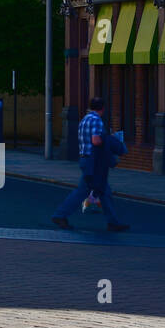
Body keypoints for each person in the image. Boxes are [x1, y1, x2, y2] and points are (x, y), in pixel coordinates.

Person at [52, 97, 129, 232]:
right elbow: (96, 141)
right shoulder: (96, 121)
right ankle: (60, 215)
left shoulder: (84, 120)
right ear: (103, 108)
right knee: (83, 192)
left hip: (85, 159)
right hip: (94, 162)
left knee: (104, 192)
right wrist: (110, 139)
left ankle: (113, 222)